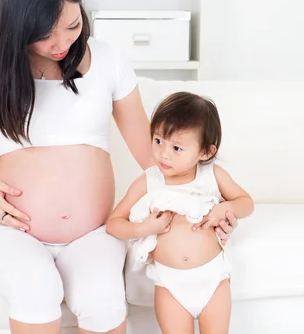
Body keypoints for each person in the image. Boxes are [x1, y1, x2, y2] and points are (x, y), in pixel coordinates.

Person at [0, 0, 235, 334]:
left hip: (94, 234)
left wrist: (206, 202)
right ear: (19, 26)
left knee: (102, 300)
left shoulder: (109, 61)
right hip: (13, 231)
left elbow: (153, 154)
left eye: (72, 25)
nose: (62, 42)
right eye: (45, 34)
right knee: (36, 289)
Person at [107, 92, 254, 334]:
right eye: (158, 141)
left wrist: (225, 208)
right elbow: (114, 223)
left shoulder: (211, 176)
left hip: (213, 279)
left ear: (205, 152)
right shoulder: (149, 180)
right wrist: (145, 228)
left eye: (176, 147)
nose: (164, 154)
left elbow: (246, 203)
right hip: (169, 284)